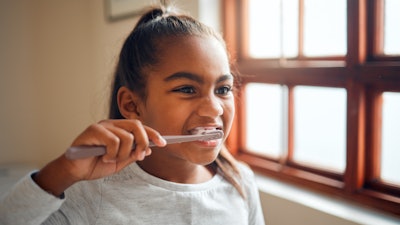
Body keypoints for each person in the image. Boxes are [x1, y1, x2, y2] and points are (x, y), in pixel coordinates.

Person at [0, 5, 265, 225]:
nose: (215, 108)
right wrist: (62, 170)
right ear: (132, 105)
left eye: (223, 89)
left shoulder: (239, 181)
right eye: (187, 89)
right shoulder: (90, 193)